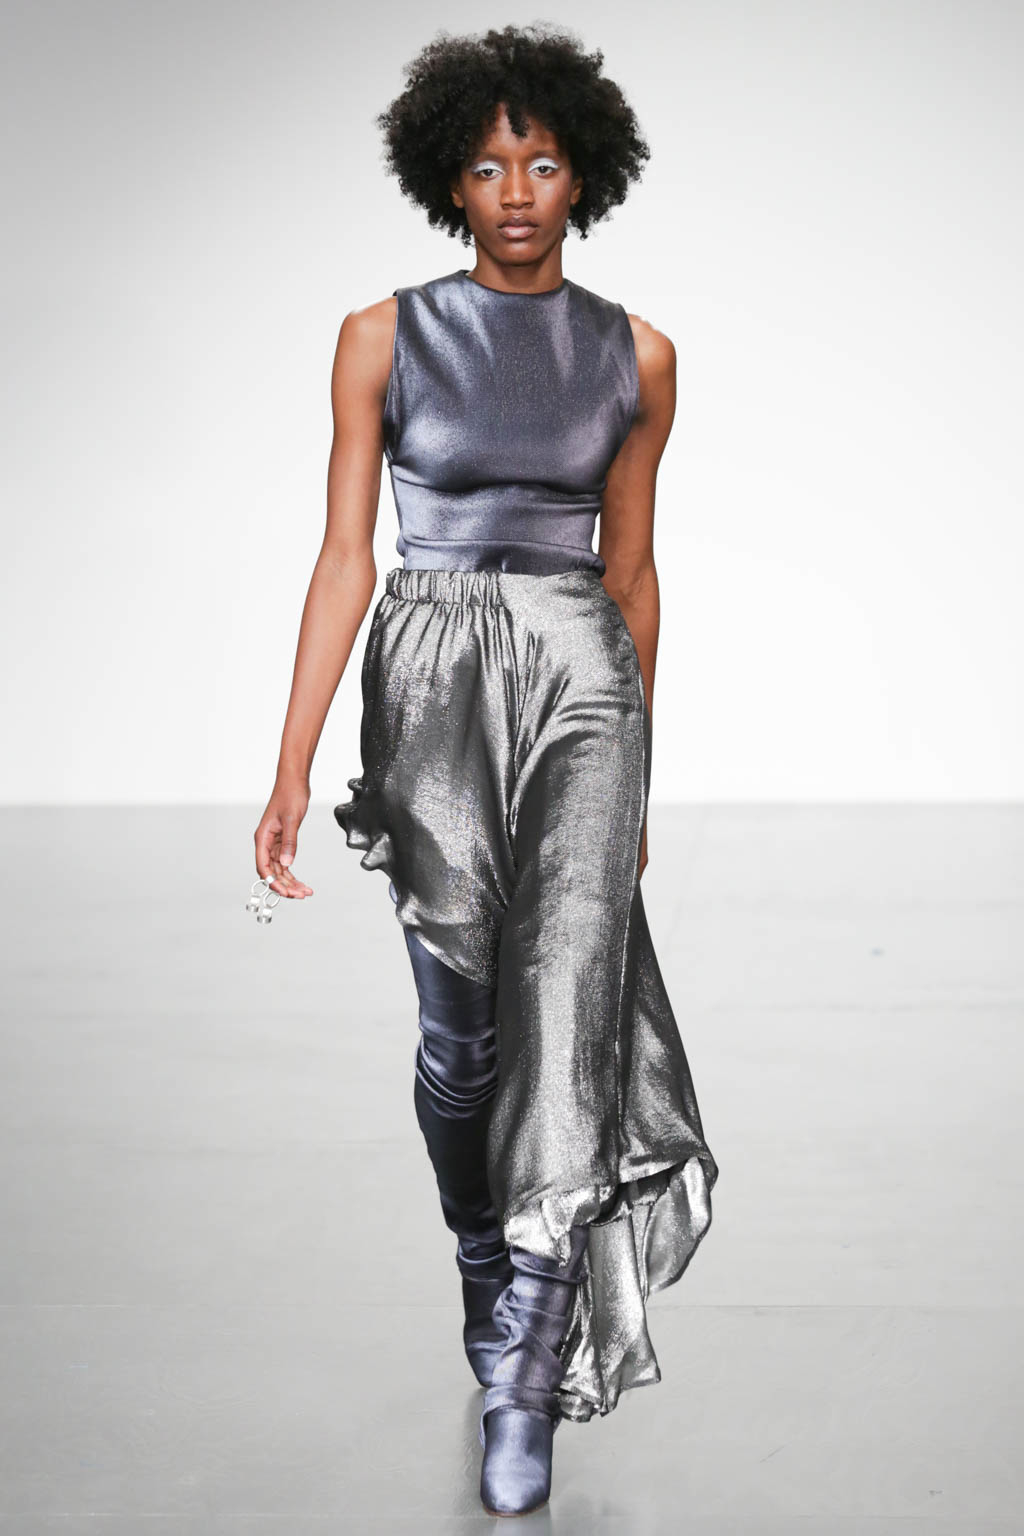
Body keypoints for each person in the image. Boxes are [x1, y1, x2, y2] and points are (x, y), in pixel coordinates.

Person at [254, 23, 719, 1519]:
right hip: (431, 678)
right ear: (448, 183)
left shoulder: (639, 355)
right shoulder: (380, 337)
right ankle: (482, 1253)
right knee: (462, 1039)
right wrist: (290, 766)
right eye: (486, 165)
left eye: (543, 161)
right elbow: (345, 554)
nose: (517, 190)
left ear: (585, 176)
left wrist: (637, 784)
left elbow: (633, 573)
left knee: (567, 1017)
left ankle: (526, 1359)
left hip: (583, 677)